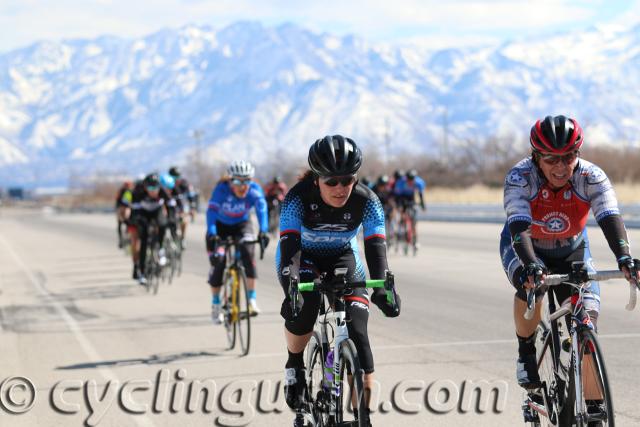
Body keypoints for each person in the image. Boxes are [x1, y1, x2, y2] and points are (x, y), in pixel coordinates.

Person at [500, 115, 640, 398]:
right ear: (536, 157)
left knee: (586, 319)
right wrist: (531, 266)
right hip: (527, 246)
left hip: (572, 249)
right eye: (552, 159)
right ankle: (526, 353)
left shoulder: (590, 177)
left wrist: (625, 258)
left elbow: (610, 216)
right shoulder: (520, 177)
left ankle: (593, 407)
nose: (561, 167)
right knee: (532, 287)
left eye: (569, 156)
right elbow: (519, 226)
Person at [277, 135, 401, 426]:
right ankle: (295, 363)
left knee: (359, 333)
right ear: (317, 179)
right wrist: (291, 288)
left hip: (343, 257)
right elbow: (290, 249)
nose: (340, 188)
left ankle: (364, 417)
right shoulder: (296, 199)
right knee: (304, 308)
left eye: (347, 180)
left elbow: (375, 248)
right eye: (331, 182)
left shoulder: (368, 202)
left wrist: (382, 286)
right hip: (302, 258)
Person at [206, 160, 270, 322]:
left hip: (241, 224)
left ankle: (252, 300)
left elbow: (262, 209)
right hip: (220, 226)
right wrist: (212, 233)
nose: (243, 186)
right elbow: (211, 212)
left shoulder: (254, 190)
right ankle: (215, 304)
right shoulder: (221, 190)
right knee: (218, 262)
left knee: (248, 253)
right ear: (230, 180)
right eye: (237, 181)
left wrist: (263, 230)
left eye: (247, 181)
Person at [129, 173, 171, 285]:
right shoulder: (138, 192)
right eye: (150, 188)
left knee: (163, 224)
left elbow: (172, 205)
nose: (153, 191)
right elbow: (134, 212)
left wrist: (171, 218)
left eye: (155, 188)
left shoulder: (162, 191)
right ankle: (142, 273)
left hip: (156, 211)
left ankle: (161, 249)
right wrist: (136, 221)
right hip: (142, 213)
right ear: (145, 187)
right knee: (143, 240)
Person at [392, 168, 426, 250]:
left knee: (414, 220)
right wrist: (398, 206)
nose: (410, 182)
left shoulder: (419, 182)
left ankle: (415, 240)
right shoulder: (401, 182)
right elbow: (397, 196)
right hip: (402, 197)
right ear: (406, 178)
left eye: (412, 180)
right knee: (402, 211)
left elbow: (420, 195)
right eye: (409, 180)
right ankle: (401, 227)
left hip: (411, 197)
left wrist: (422, 205)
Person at [169, 166, 196, 248]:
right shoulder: (168, 184)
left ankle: (183, 237)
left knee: (184, 220)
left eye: (177, 177)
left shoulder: (185, 184)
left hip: (181, 205)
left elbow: (191, 197)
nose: (176, 180)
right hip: (171, 206)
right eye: (173, 177)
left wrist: (192, 208)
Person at [115, 180, 134, 248]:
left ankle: (128, 235)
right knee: (120, 223)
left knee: (128, 221)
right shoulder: (121, 191)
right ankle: (121, 239)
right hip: (120, 207)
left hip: (127, 208)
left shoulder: (131, 191)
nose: (128, 187)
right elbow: (117, 200)